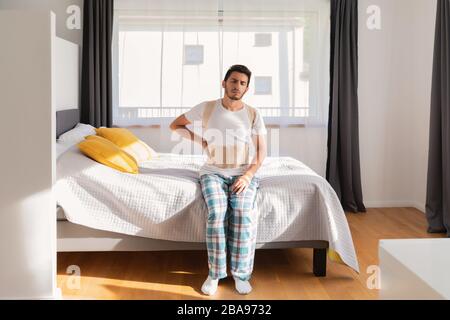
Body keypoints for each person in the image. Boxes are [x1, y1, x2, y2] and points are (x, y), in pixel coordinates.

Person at [169, 65, 267, 295]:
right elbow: (176, 125)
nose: (237, 86)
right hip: (212, 172)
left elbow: (261, 153)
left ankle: (241, 275)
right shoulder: (207, 107)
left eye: (243, 83)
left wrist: (248, 175)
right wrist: (201, 141)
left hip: (243, 173)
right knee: (217, 212)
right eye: (233, 81)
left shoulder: (253, 113)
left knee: (243, 213)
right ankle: (215, 273)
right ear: (224, 83)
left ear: (247, 88)